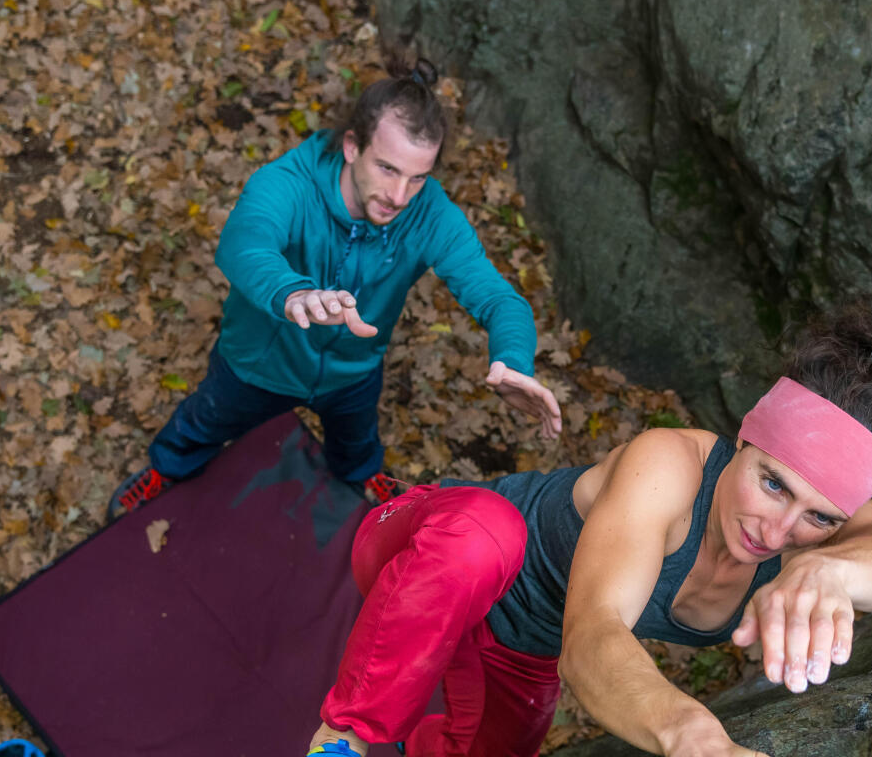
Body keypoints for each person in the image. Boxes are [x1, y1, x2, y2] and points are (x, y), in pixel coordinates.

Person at [274, 300, 872, 757]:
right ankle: (340, 746)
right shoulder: (669, 466)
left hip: (517, 636)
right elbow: (594, 634)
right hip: (431, 549)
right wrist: (689, 732)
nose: (777, 531)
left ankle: (426, 750)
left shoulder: (818, 533)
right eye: (772, 483)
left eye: (818, 517)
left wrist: (831, 570)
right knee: (485, 535)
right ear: (746, 434)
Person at [108, 60, 563, 519]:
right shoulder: (291, 183)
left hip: (354, 371)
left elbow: (498, 297)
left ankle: (359, 474)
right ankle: (166, 469)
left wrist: (513, 361)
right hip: (260, 362)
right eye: (387, 168)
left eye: (417, 177)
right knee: (205, 420)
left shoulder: (429, 213)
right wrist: (293, 294)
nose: (400, 195)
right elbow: (246, 242)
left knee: (356, 440)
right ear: (351, 146)